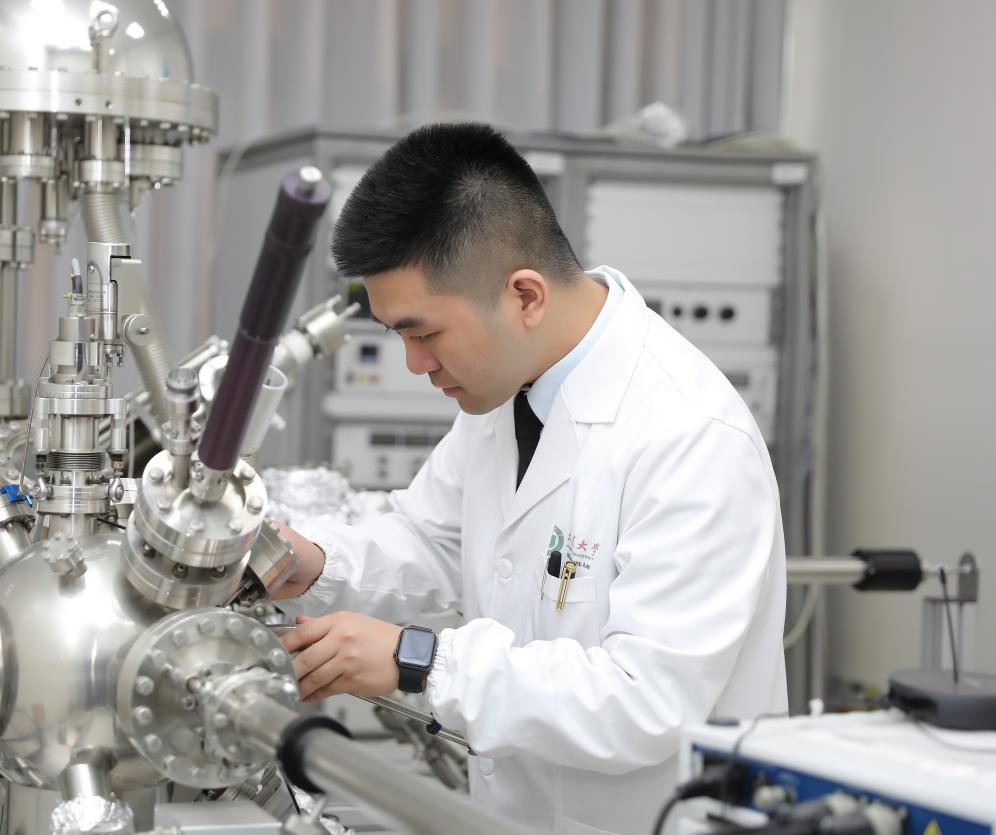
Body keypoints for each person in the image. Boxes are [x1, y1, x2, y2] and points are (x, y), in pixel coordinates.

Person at [272, 123, 786, 835]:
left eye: (424, 333)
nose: (415, 364)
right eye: (399, 336)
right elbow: (430, 538)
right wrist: (311, 561)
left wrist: (417, 661)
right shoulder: (507, 390)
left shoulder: (690, 435)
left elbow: (648, 702)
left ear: (525, 296)